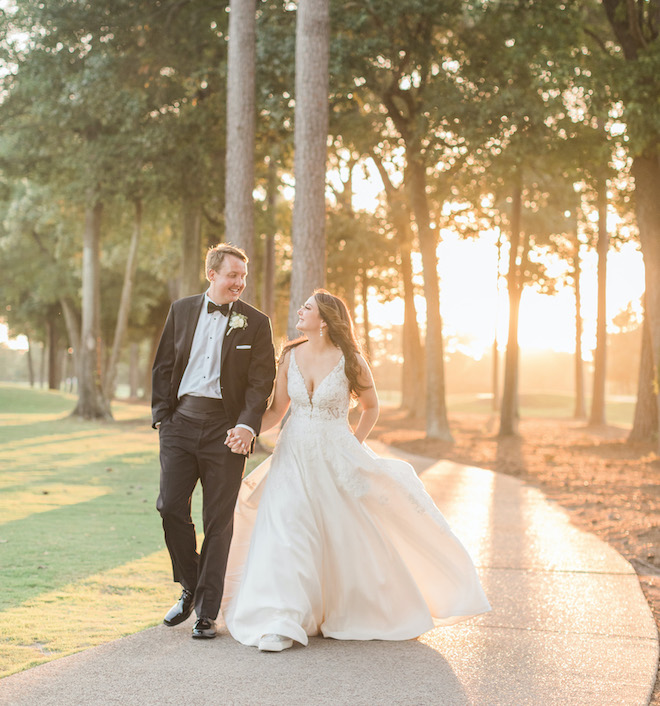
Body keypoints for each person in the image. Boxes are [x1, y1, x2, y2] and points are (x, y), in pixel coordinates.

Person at [221, 289, 491, 652]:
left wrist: (355, 444)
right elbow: (276, 410)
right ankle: (282, 619)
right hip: (293, 455)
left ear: (326, 320)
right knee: (287, 529)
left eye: (308, 308)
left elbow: (371, 406)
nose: (300, 311)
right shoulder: (289, 355)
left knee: (337, 535)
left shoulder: (350, 359)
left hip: (336, 455)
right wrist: (248, 429)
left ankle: (342, 608)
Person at [152, 243, 276, 639]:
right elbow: (164, 365)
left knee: (218, 522)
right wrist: (163, 418)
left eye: (243, 275)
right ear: (212, 275)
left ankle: (207, 612)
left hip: (226, 431)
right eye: (232, 275)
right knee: (170, 506)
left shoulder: (256, 322)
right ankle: (191, 584)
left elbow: (261, 383)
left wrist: (247, 426)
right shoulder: (181, 309)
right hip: (180, 423)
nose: (239, 282)